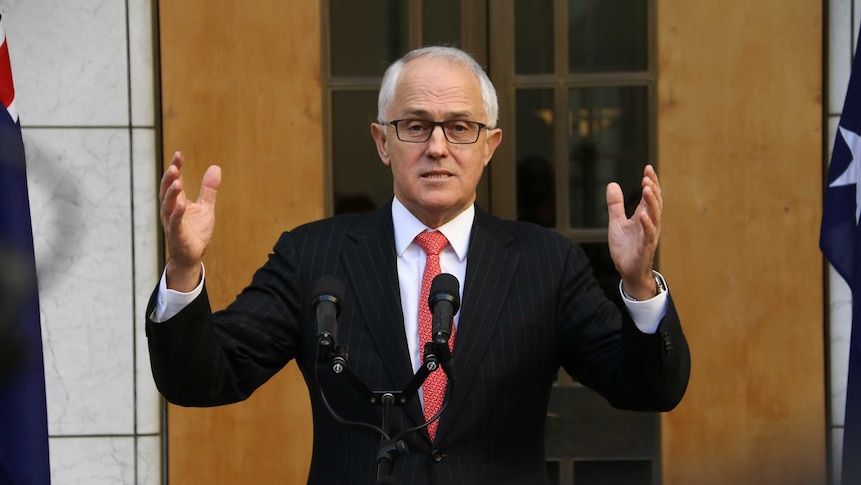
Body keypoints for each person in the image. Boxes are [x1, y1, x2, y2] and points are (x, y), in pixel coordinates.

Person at [146, 46, 690, 484]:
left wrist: (639, 283)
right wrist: (183, 271)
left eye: (459, 127)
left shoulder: (546, 263)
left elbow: (648, 390)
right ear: (382, 142)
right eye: (415, 126)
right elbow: (203, 379)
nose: (437, 147)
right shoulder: (313, 255)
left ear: (489, 145)